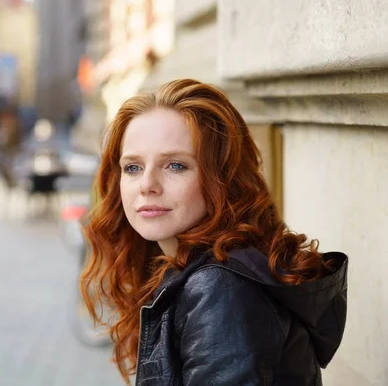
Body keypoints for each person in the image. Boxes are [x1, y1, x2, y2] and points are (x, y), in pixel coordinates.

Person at [80, 79, 348, 386]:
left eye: (176, 165)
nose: (147, 185)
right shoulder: (196, 268)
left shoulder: (220, 287)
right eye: (133, 167)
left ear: (222, 177)